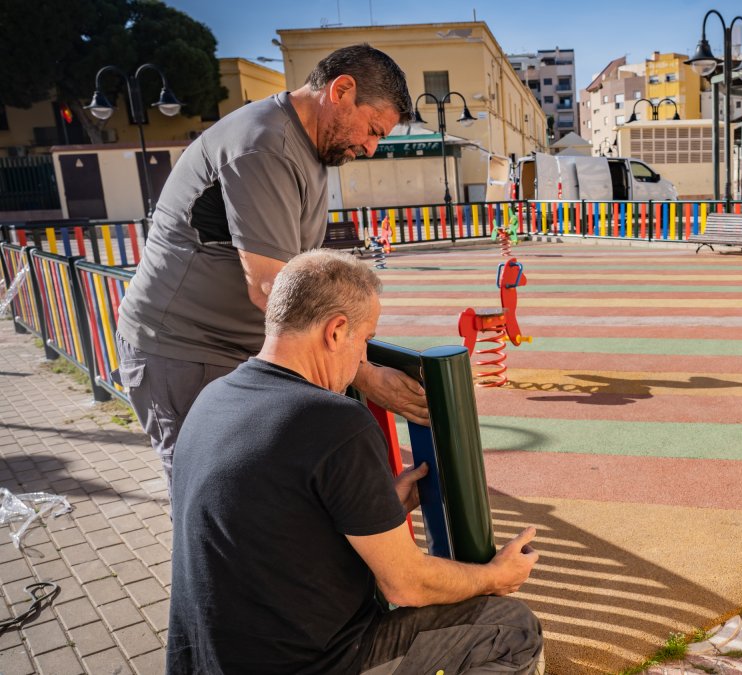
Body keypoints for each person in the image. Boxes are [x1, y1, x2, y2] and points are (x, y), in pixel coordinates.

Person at [167, 250, 543, 674]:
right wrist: (496, 576)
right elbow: (406, 584)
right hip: (312, 664)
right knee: (512, 628)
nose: (364, 356)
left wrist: (378, 507)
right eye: (366, 339)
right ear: (336, 331)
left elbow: (277, 523)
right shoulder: (333, 419)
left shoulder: (215, 398)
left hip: (204, 662)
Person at [115, 44, 428, 490]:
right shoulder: (266, 144)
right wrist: (363, 374)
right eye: (373, 129)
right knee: (214, 498)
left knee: (260, 495)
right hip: (186, 351)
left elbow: (305, 273)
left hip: (235, 350)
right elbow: (273, 288)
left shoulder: (313, 148)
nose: (372, 147)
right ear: (341, 91)